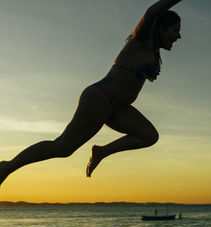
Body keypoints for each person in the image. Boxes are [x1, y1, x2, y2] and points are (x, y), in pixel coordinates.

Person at [0, 0, 182, 186]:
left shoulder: (152, 51)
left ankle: (101, 151)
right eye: (175, 30)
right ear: (161, 29)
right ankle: (7, 167)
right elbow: (152, 12)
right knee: (63, 147)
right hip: (100, 98)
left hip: (118, 108)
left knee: (149, 136)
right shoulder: (141, 41)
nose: (179, 36)